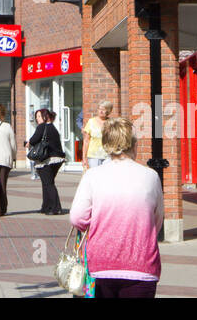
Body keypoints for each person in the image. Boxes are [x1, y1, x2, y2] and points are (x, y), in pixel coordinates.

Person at [69, 117, 164, 298]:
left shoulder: (93, 176)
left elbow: (77, 217)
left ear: (106, 145)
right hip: (142, 265)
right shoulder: (150, 177)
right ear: (133, 145)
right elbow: (157, 221)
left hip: (101, 265)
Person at [29, 109, 66, 215]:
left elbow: (34, 139)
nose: (37, 119)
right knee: (47, 183)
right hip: (58, 159)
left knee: (48, 184)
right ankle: (46, 207)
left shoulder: (42, 127)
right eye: (36, 117)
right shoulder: (53, 128)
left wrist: (28, 143)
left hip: (47, 160)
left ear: (46, 116)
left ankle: (56, 208)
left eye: (39, 116)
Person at [82, 101, 114, 169]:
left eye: (103, 109)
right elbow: (86, 140)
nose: (101, 111)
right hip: (94, 156)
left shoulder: (112, 123)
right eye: (99, 109)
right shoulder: (91, 122)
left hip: (108, 155)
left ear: (108, 111)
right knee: (95, 177)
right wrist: (84, 158)